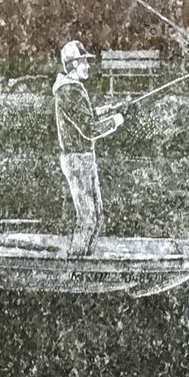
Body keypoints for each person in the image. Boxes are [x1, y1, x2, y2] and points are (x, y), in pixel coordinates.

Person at [52, 40, 125, 257]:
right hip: (76, 159)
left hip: (85, 157)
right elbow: (89, 129)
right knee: (88, 219)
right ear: (73, 65)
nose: (88, 66)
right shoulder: (69, 91)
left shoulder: (74, 88)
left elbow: (88, 114)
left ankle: (87, 261)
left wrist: (111, 110)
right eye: (84, 62)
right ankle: (75, 266)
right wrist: (116, 121)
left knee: (98, 217)